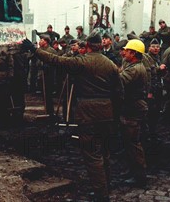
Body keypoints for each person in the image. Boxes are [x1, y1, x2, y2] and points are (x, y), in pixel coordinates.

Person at [22, 30, 123, 202]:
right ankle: (107, 185)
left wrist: (34, 49)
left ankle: (101, 194)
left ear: (88, 46)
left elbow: (56, 60)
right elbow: (119, 92)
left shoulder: (82, 62)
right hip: (107, 112)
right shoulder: (111, 64)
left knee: (92, 154)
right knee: (105, 151)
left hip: (88, 112)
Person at [119, 39, 148, 188]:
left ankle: (139, 177)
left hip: (133, 109)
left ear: (134, 53)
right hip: (132, 108)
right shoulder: (133, 66)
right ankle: (133, 171)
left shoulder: (134, 69)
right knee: (130, 143)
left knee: (133, 144)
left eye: (127, 51)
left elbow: (119, 81)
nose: (124, 53)